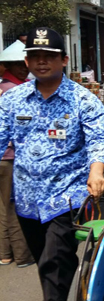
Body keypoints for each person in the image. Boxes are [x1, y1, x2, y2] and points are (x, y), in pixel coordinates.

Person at [0, 27, 104, 301]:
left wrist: (96, 171)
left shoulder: (82, 100)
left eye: (48, 56)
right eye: (34, 56)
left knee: (55, 260)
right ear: (26, 61)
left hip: (66, 197)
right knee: (47, 263)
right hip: (25, 199)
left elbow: (100, 140)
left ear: (63, 60)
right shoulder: (13, 99)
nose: (41, 62)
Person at [0, 40, 34, 268]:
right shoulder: (15, 92)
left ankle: (5, 254)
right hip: (10, 157)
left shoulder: (4, 86)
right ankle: (21, 255)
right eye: (17, 65)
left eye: (24, 64)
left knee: (3, 205)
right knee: (14, 204)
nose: (23, 69)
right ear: (8, 67)